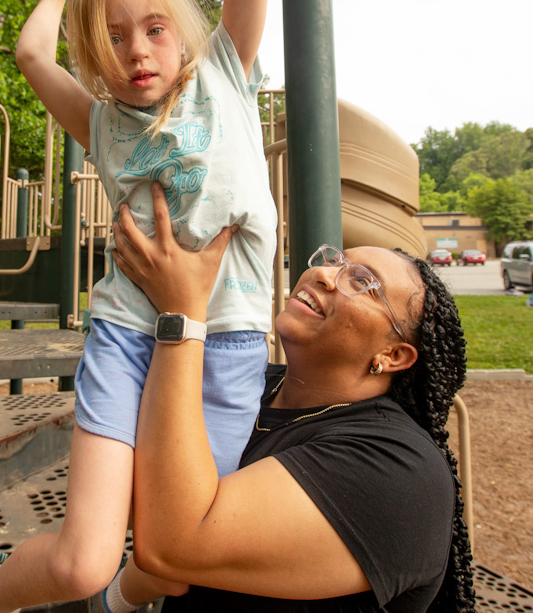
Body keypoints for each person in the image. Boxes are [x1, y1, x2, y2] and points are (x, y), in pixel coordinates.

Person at [0, 0, 276, 613]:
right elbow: (33, 57)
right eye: (114, 37)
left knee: (176, 562)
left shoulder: (224, 75)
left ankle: (117, 606)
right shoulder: (99, 122)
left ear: (184, 36)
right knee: (81, 562)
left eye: (154, 29)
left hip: (226, 342)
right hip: (131, 336)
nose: (137, 50)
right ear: (96, 55)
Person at [110, 182, 476, 613]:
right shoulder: (254, 386)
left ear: (392, 356)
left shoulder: (398, 469)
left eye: (361, 282)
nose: (324, 273)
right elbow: (146, 496)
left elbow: (173, 545)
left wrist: (183, 315)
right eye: (336, 261)